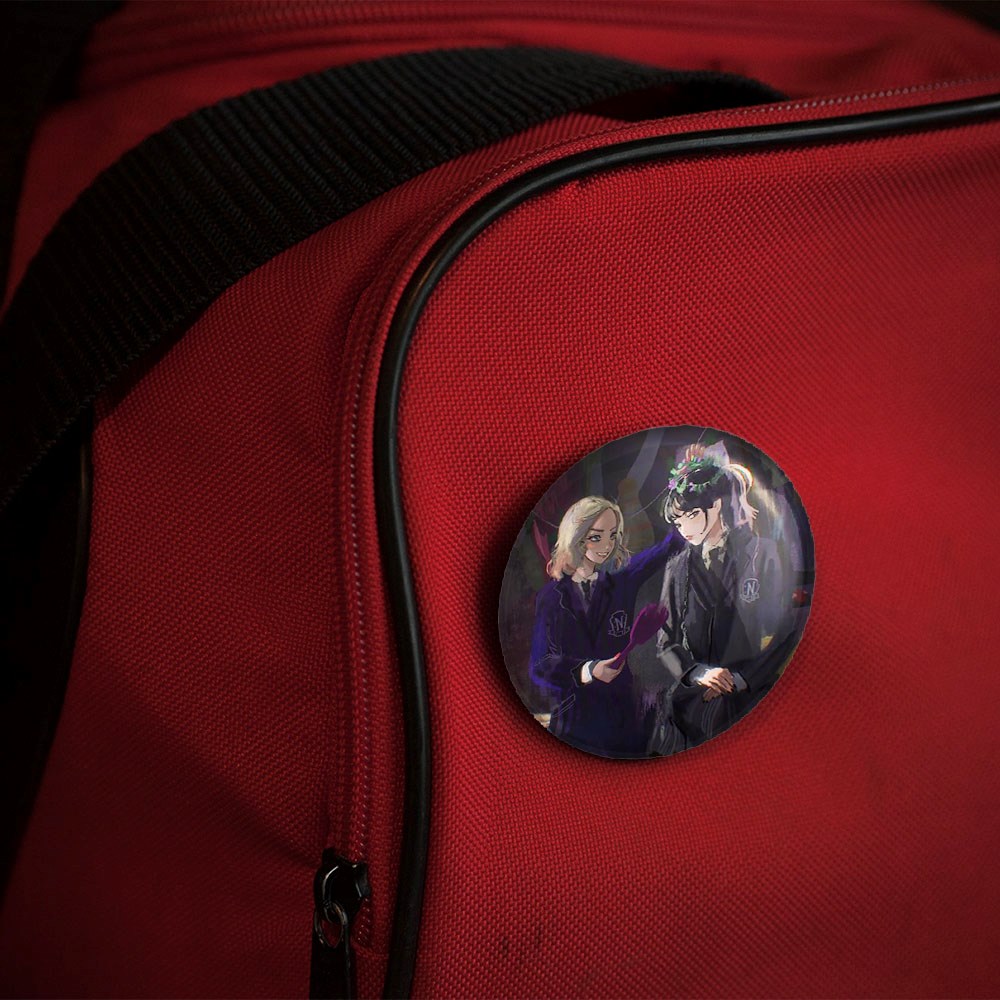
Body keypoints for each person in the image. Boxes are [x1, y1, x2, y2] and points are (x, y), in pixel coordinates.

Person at [649, 444, 794, 753]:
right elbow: (665, 640)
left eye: (690, 516)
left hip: (753, 697)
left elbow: (783, 631)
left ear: (715, 506)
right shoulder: (677, 568)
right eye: (678, 523)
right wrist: (698, 673)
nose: (685, 529)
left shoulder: (763, 554)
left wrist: (741, 679)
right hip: (692, 704)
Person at [528, 495, 683, 757]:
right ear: (575, 537)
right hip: (576, 724)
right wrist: (589, 670)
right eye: (596, 537)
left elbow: (669, 547)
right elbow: (540, 666)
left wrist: (683, 490)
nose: (607, 545)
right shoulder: (552, 598)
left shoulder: (621, 583)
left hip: (624, 723)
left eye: (612, 535)